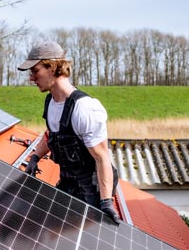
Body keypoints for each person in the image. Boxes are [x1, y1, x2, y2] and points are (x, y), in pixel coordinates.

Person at [17, 40, 121, 225]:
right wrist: (35, 157)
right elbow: (52, 135)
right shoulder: (51, 102)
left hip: (91, 191)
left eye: (35, 71)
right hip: (67, 183)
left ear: (53, 67)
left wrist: (105, 202)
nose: (32, 78)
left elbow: (102, 158)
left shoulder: (84, 109)